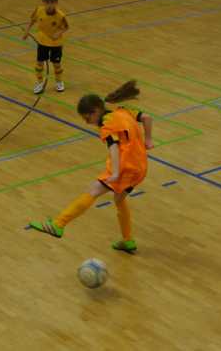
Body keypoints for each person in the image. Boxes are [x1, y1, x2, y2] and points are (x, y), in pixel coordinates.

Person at [28, 81, 153, 253]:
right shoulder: (124, 111)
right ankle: (128, 240)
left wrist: (115, 172)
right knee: (119, 199)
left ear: (96, 111)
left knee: (93, 190)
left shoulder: (107, 124)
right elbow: (147, 118)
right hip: (140, 166)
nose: (88, 123)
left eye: (87, 118)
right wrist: (148, 139)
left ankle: (58, 224)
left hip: (125, 167)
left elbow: (114, 147)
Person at [23, 0, 69, 94]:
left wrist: (58, 33)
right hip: (42, 42)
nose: (49, 5)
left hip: (56, 43)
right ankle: (39, 83)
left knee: (56, 63)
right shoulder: (39, 10)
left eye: (52, 3)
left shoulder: (60, 16)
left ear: (56, 3)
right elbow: (32, 20)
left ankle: (59, 81)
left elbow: (66, 27)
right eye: (47, 3)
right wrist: (27, 31)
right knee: (39, 63)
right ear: (43, 3)